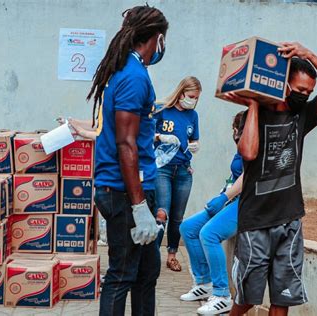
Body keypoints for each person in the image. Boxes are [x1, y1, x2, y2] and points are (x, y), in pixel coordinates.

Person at [225, 42, 317, 316]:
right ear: (283, 84)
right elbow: (248, 152)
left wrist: (310, 54)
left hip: (289, 220)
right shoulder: (250, 117)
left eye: (309, 92)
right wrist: (255, 104)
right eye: (300, 90)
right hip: (255, 221)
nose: (304, 96)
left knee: (283, 299)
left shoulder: (302, 115)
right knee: (246, 298)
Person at [87, 5, 168, 316]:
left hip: (129, 189)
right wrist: (138, 206)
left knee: (147, 274)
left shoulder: (126, 71)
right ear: (157, 38)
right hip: (124, 193)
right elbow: (126, 144)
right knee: (121, 275)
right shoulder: (133, 76)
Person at [179, 112, 244, 315]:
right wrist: (223, 194)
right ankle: (204, 282)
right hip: (231, 197)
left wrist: (225, 198)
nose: (236, 135)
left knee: (209, 234)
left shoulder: (254, 144)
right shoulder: (240, 146)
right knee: (188, 227)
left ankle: (222, 294)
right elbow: (235, 175)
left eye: (238, 130)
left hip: (247, 202)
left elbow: (249, 176)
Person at [153, 76, 202, 272]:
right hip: (162, 169)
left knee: (177, 217)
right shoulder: (160, 109)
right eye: (191, 96)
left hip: (183, 170)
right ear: (181, 93)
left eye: (197, 98)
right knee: (161, 212)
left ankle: (171, 255)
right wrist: (159, 136)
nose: (193, 100)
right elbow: (144, 133)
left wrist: (195, 146)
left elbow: (194, 139)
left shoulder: (193, 116)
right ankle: (152, 256)